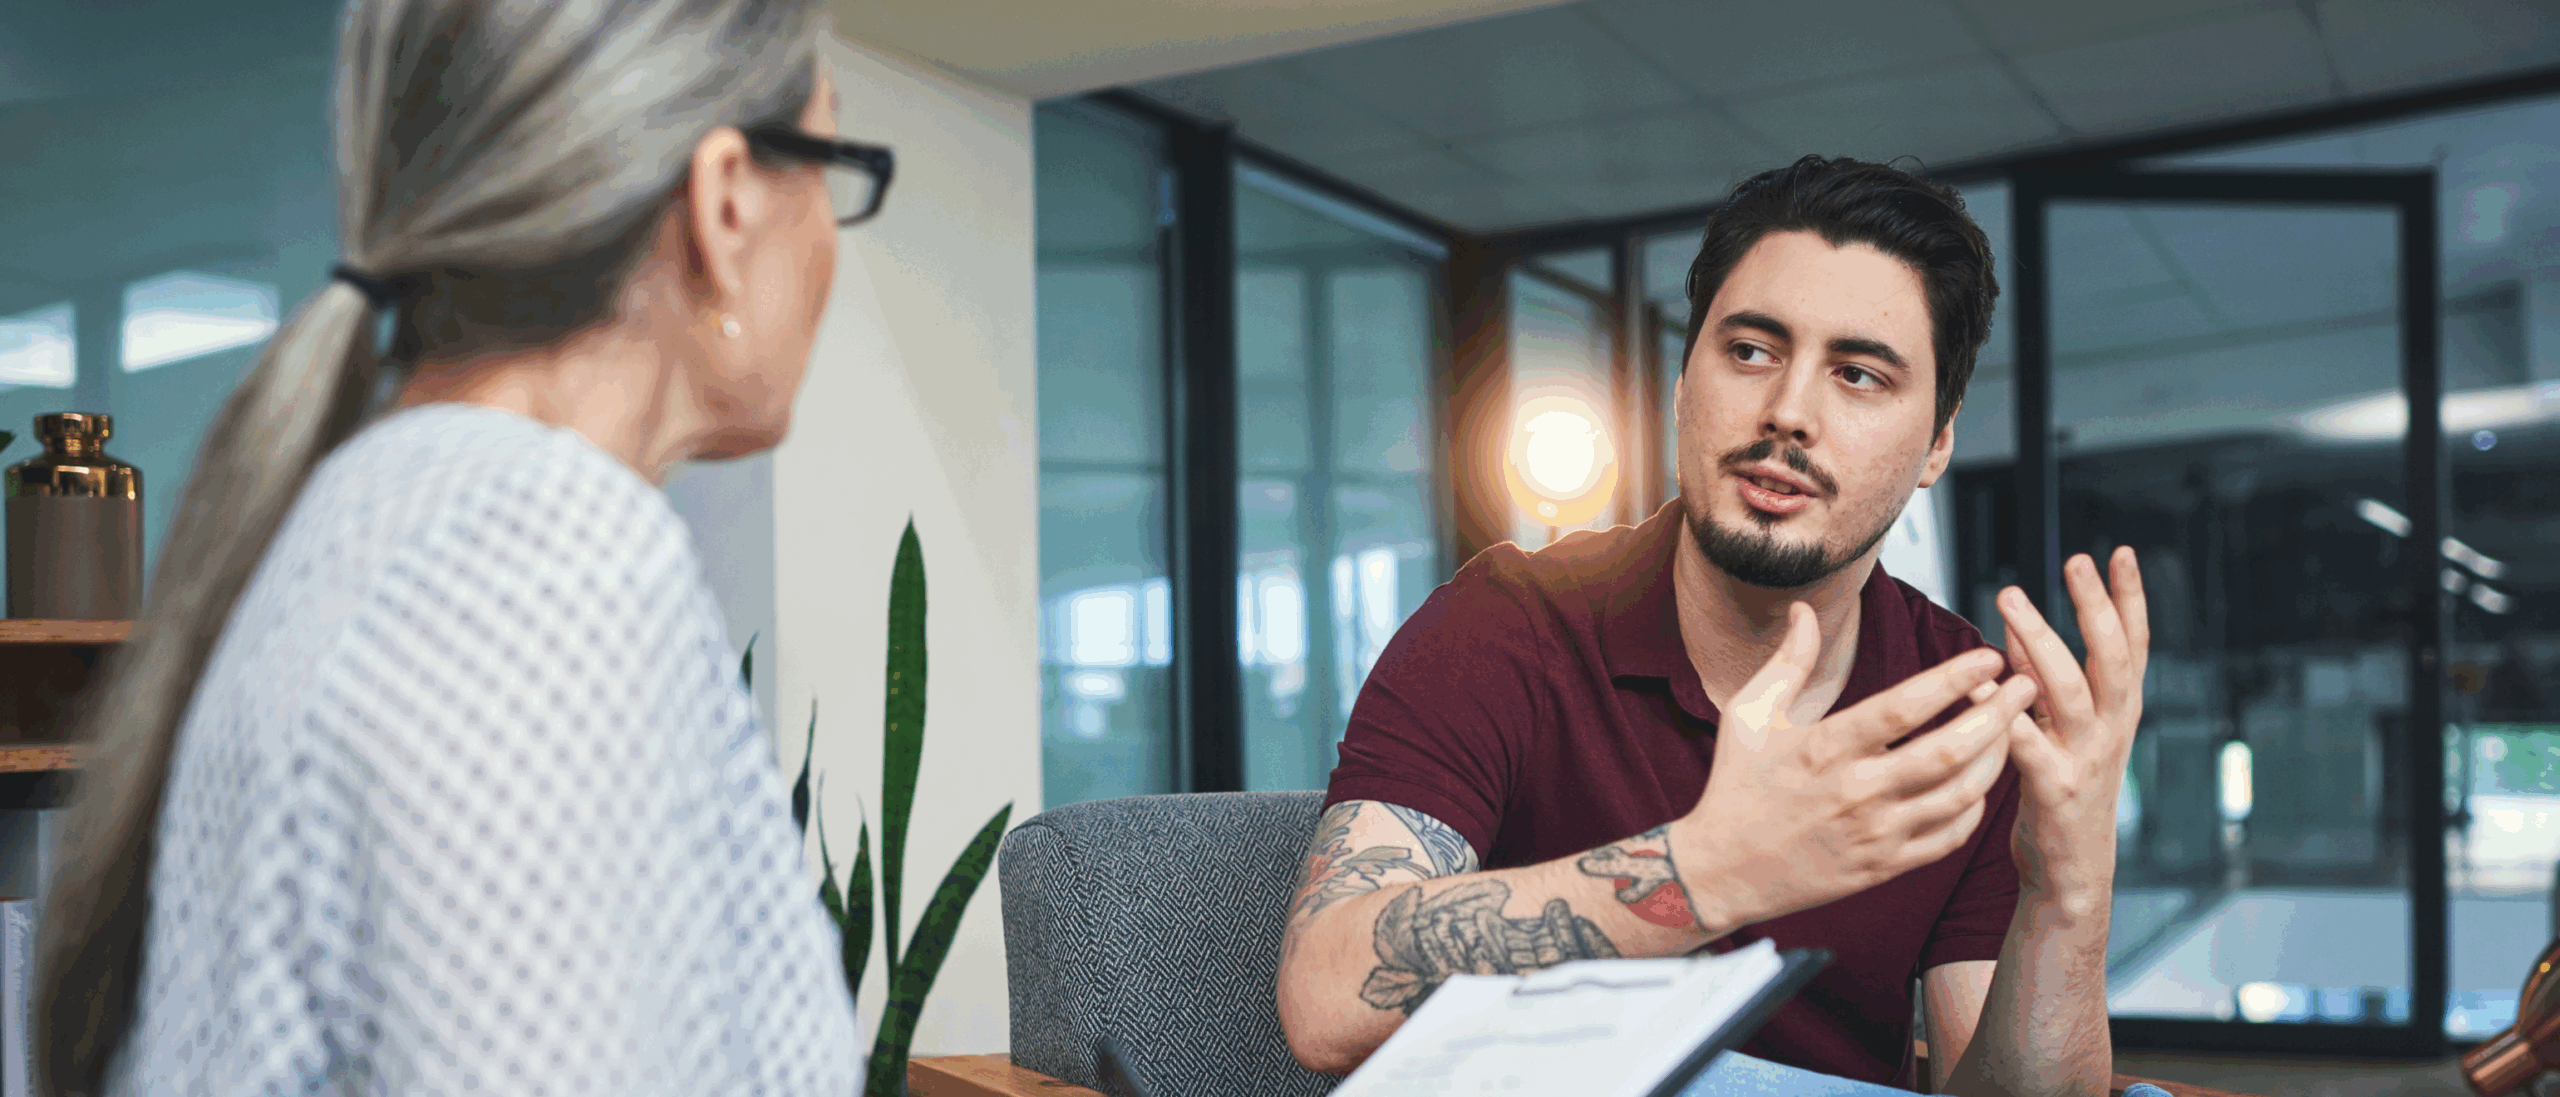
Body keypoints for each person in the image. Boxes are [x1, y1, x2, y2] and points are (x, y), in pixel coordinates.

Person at [34, 1, 891, 1092]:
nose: (829, 236)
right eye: (829, 162)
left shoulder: (385, 517)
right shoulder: (537, 574)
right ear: (724, 204)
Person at [1276, 156, 2150, 1097]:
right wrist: (1706, 869)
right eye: (1750, 350)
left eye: (1857, 374)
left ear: (1937, 440)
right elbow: (1325, 995)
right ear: (1685, 381)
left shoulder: (1967, 709)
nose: (1787, 412)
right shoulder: (1509, 621)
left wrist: (2069, 895)